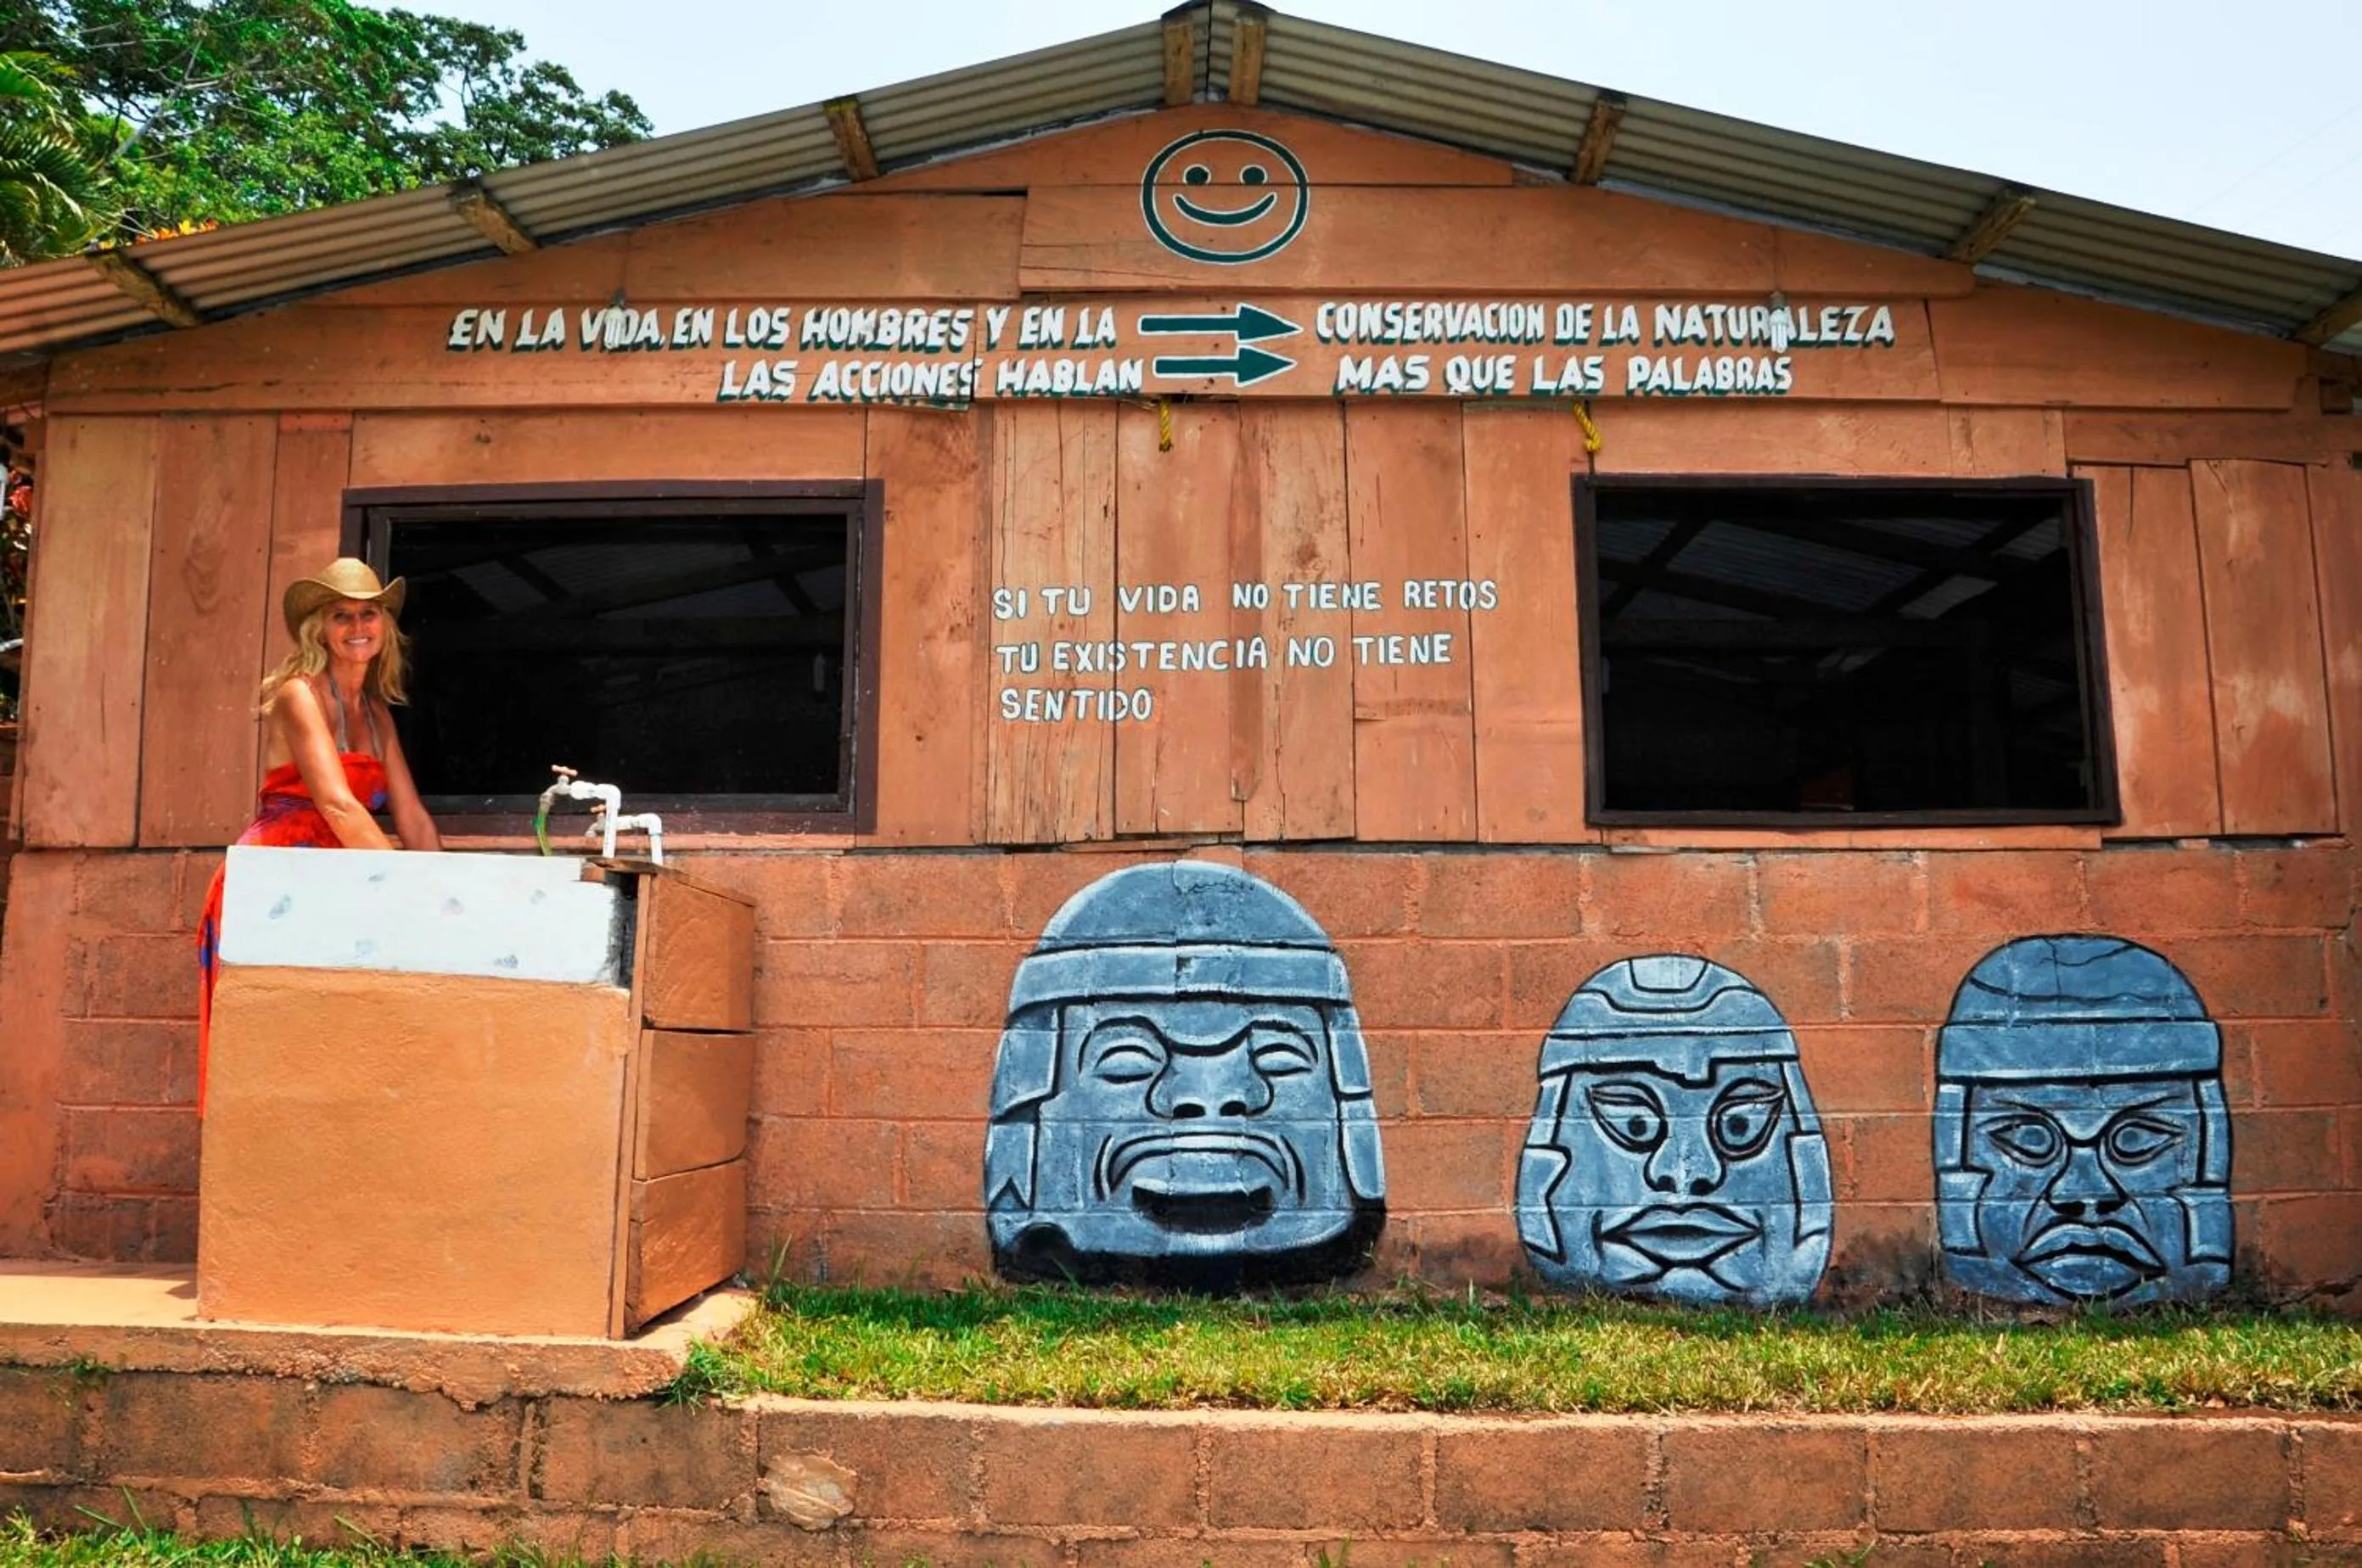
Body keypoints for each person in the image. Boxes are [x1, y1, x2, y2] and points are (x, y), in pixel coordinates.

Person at [195, 558, 440, 1108]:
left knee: (335, 1038)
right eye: (341, 615)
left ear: (385, 624)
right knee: (273, 1041)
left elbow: (413, 817)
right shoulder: (297, 694)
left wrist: (448, 887)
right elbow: (336, 805)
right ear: (319, 629)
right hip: (280, 873)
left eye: (369, 613)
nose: (358, 626)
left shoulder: (377, 713)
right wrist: (410, 887)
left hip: (341, 875)